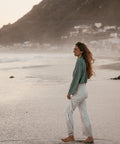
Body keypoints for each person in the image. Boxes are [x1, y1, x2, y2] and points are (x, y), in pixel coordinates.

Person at [61, 42, 95, 143]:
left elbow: (76, 79)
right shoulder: (83, 61)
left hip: (79, 90)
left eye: (76, 49)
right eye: (74, 49)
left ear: (81, 51)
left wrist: (70, 92)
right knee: (84, 113)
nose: (73, 51)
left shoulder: (80, 61)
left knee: (67, 112)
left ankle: (70, 135)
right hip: (83, 89)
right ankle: (89, 137)